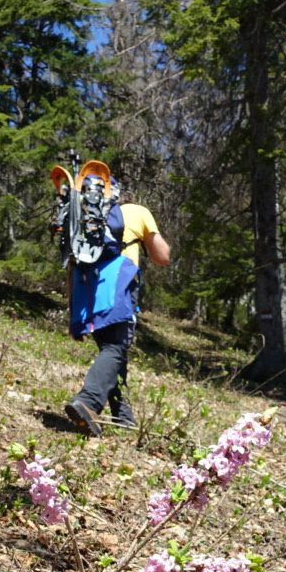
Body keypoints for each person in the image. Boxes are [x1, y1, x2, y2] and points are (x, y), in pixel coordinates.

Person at [62, 167, 169, 435]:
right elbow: (162, 257)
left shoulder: (79, 220)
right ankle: (88, 402)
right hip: (119, 285)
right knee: (116, 349)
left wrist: (74, 313)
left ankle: (124, 417)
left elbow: (72, 266)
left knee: (113, 351)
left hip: (87, 292)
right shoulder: (136, 212)